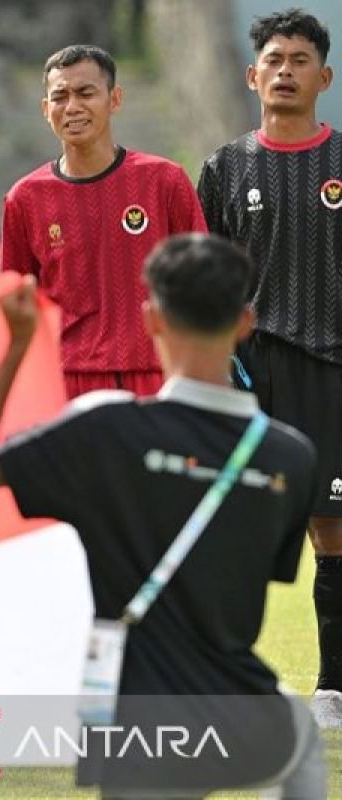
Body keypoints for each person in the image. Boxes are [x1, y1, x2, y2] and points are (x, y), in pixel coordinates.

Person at [0, 234, 324, 797]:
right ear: (246, 322)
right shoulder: (291, 455)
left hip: (140, 728)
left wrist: (17, 345)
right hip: (250, 722)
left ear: (151, 318)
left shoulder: (107, 431)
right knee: (301, 738)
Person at [198, 8, 342, 729]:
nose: (284, 70)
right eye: (273, 59)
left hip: (331, 368)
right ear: (253, 75)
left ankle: (334, 689)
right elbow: (209, 282)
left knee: (333, 531)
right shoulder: (225, 168)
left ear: (325, 76)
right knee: (232, 529)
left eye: (299, 59)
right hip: (248, 373)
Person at [1, 44, 207, 399]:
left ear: (115, 99)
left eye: (85, 93)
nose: (72, 107)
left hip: (158, 374)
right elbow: (17, 303)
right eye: (60, 97)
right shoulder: (25, 198)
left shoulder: (164, 180)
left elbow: (202, 281)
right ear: (45, 109)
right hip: (68, 379)